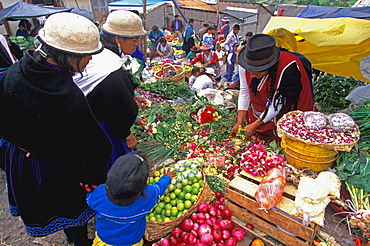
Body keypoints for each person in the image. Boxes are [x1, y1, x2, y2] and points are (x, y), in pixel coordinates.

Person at [0, 12, 112, 245]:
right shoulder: (67, 97)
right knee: (70, 210)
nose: (90, 60)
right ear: (69, 56)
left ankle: (74, 237)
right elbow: (94, 147)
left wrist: (25, 141)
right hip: (53, 168)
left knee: (57, 210)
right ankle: (79, 240)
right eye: (87, 56)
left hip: (22, 159)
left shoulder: (16, 70)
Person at [74, 10, 148, 169]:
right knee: (113, 167)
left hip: (94, 119)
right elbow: (116, 105)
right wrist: (127, 135)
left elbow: (103, 92)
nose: (137, 44)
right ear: (117, 39)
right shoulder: (108, 63)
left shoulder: (104, 54)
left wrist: (131, 97)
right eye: (134, 40)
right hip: (101, 127)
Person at [230, 34, 314, 141]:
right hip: (265, 106)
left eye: (256, 74)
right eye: (249, 72)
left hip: (285, 104)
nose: (251, 76)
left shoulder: (287, 67)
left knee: (284, 135)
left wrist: (254, 125)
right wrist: (239, 123)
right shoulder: (246, 61)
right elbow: (244, 91)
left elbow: (277, 103)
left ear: (269, 68)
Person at [87, 151, 176, 246]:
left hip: (103, 240)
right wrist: (166, 177)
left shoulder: (99, 192)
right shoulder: (147, 196)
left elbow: (89, 199)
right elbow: (159, 188)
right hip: (132, 242)